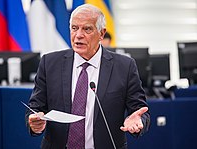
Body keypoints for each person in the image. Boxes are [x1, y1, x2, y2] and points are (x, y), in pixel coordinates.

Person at [26, 4, 150, 149]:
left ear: (101, 34)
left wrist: (137, 120)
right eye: (74, 28)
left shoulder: (124, 66)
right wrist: (35, 123)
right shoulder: (49, 63)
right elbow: (35, 107)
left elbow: (140, 110)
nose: (78, 35)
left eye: (87, 29)